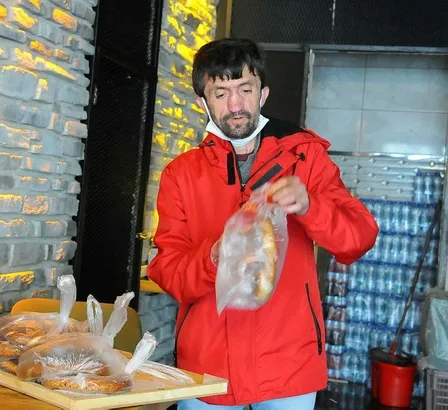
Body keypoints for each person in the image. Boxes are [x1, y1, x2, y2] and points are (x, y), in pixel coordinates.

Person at [146, 38, 379, 410]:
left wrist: (310, 205)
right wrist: (214, 257)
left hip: (289, 363)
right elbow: (167, 270)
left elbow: (359, 238)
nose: (235, 105)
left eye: (245, 89)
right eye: (221, 93)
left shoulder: (304, 158)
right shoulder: (181, 174)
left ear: (263, 93)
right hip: (208, 367)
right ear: (202, 102)